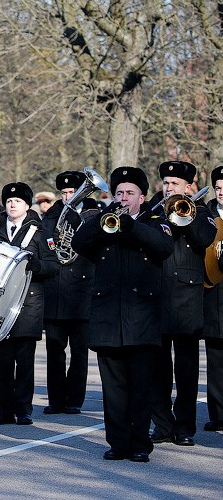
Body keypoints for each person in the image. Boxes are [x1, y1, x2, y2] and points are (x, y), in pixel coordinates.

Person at [71, 166, 173, 462]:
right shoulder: (104, 223)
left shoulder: (156, 222)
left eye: (130, 193)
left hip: (142, 318)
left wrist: (131, 227)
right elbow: (79, 243)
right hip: (108, 318)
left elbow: (164, 247)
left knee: (141, 387)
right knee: (113, 388)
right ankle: (117, 442)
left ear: (142, 198)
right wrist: (101, 218)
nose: (124, 198)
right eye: (119, 193)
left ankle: (140, 443)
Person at [151, 161, 215, 446]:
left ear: (188, 187)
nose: (169, 188)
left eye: (175, 184)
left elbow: (205, 239)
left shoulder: (201, 211)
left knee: (187, 369)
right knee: (159, 368)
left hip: (187, 298)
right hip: (157, 296)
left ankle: (185, 427)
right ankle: (162, 425)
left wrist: (184, 215)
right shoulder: (154, 209)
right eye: (166, 183)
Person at [0, 182, 58, 426]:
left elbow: (53, 266)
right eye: (9, 201)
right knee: (3, 361)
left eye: (17, 201)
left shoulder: (40, 231)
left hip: (28, 304)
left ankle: (24, 409)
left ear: (27, 205)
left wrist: (37, 266)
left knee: (25, 361)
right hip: (0, 303)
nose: (12, 204)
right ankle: (4, 409)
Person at [40, 171, 100, 415]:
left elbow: (96, 248)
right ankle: (56, 399)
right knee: (54, 352)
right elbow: (46, 246)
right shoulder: (51, 215)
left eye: (72, 192)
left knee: (79, 352)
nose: (67, 197)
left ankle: (75, 399)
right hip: (56, 290)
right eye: (64, 193)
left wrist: (79, 225)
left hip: (82, 292)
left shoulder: (93, 215)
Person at [203, 165, 223, 433]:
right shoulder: (206, 216)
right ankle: (218, 414)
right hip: (213, 295)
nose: (221, 192)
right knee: (216, 359)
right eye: (218, 188)